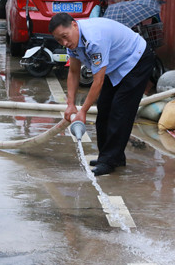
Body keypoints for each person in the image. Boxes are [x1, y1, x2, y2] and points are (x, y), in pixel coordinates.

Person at [49, 13, 155, 176]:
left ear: (74, 25)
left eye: (65, 36)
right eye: (59, 40)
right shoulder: (73, 43)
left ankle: (110, 160)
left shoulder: (94, 39)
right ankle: (110, 156)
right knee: (104, 108)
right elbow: (74, 71)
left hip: (137, 60)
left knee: (120, 111)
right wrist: (70, 104)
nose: (64, 43)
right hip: (117, 66)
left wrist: (83, 111)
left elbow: (97, 81)